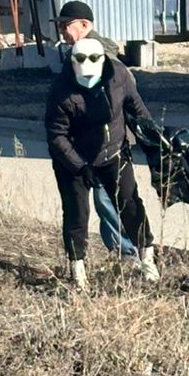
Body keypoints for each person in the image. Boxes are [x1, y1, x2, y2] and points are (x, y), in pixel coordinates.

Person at [45, 36, 158, 288]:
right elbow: (57, 136)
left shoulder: (119, 76)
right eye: (81, 65)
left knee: (130, 204)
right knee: (77, 213)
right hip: (73, 161)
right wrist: (80, 166)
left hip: (114, 153)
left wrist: (154, 138)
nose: (87, 75)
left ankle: (148, 261)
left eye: (93, 65)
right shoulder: (60, 91)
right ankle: (78, 270)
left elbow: (136, 108)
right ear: (73, 63)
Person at [55, 0, 120, 60]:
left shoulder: (92, 53)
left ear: (84, 25)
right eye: (59, 26)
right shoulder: (82, 49)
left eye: (64, 26)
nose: (60, 31)